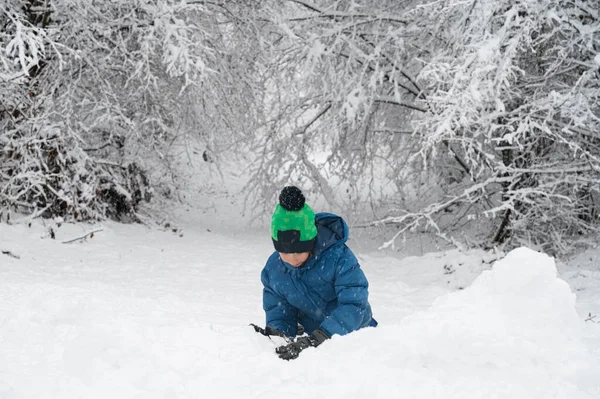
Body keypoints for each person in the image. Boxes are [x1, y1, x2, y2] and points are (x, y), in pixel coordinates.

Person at [252, 186, 376, 360]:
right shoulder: (275, 270)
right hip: (313, 340)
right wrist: (277, 334)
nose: (292, 259)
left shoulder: (338, 258)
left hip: (357, 336)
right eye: (284, 252)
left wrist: (322, 337)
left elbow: (355, 304)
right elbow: (280, 309)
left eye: (298, 251)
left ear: (310, 242)